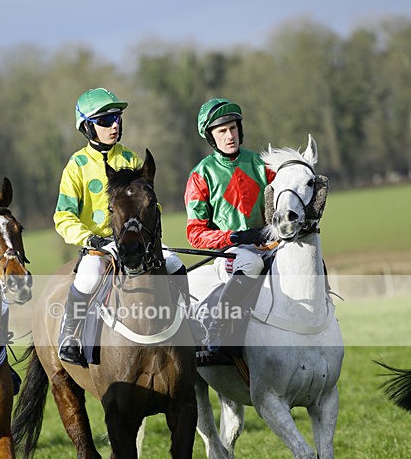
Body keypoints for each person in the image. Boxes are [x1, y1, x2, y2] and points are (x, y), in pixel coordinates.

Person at [54, 87, 186, 366]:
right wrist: (89, 239)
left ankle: (187, 325)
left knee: (174, 264)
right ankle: (70, 335)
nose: (114, 125)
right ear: (88, 128)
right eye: (104, 121)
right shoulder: (76, 166)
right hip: (99, 245)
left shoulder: (132, 160)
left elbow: (152, 204)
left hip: (138, 239)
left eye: (116, 118)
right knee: (89, 277)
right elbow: (63, 216)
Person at [184, 98, 275, 361]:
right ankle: (217, 329)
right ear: (211, 137)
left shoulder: (261, 164)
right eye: (222, 131)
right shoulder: (201, 175)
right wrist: (235, 236)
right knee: (250, 263)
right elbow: (195, 233)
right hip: (230, 253)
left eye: (233, 128)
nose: (230, 135)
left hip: (268, 244)